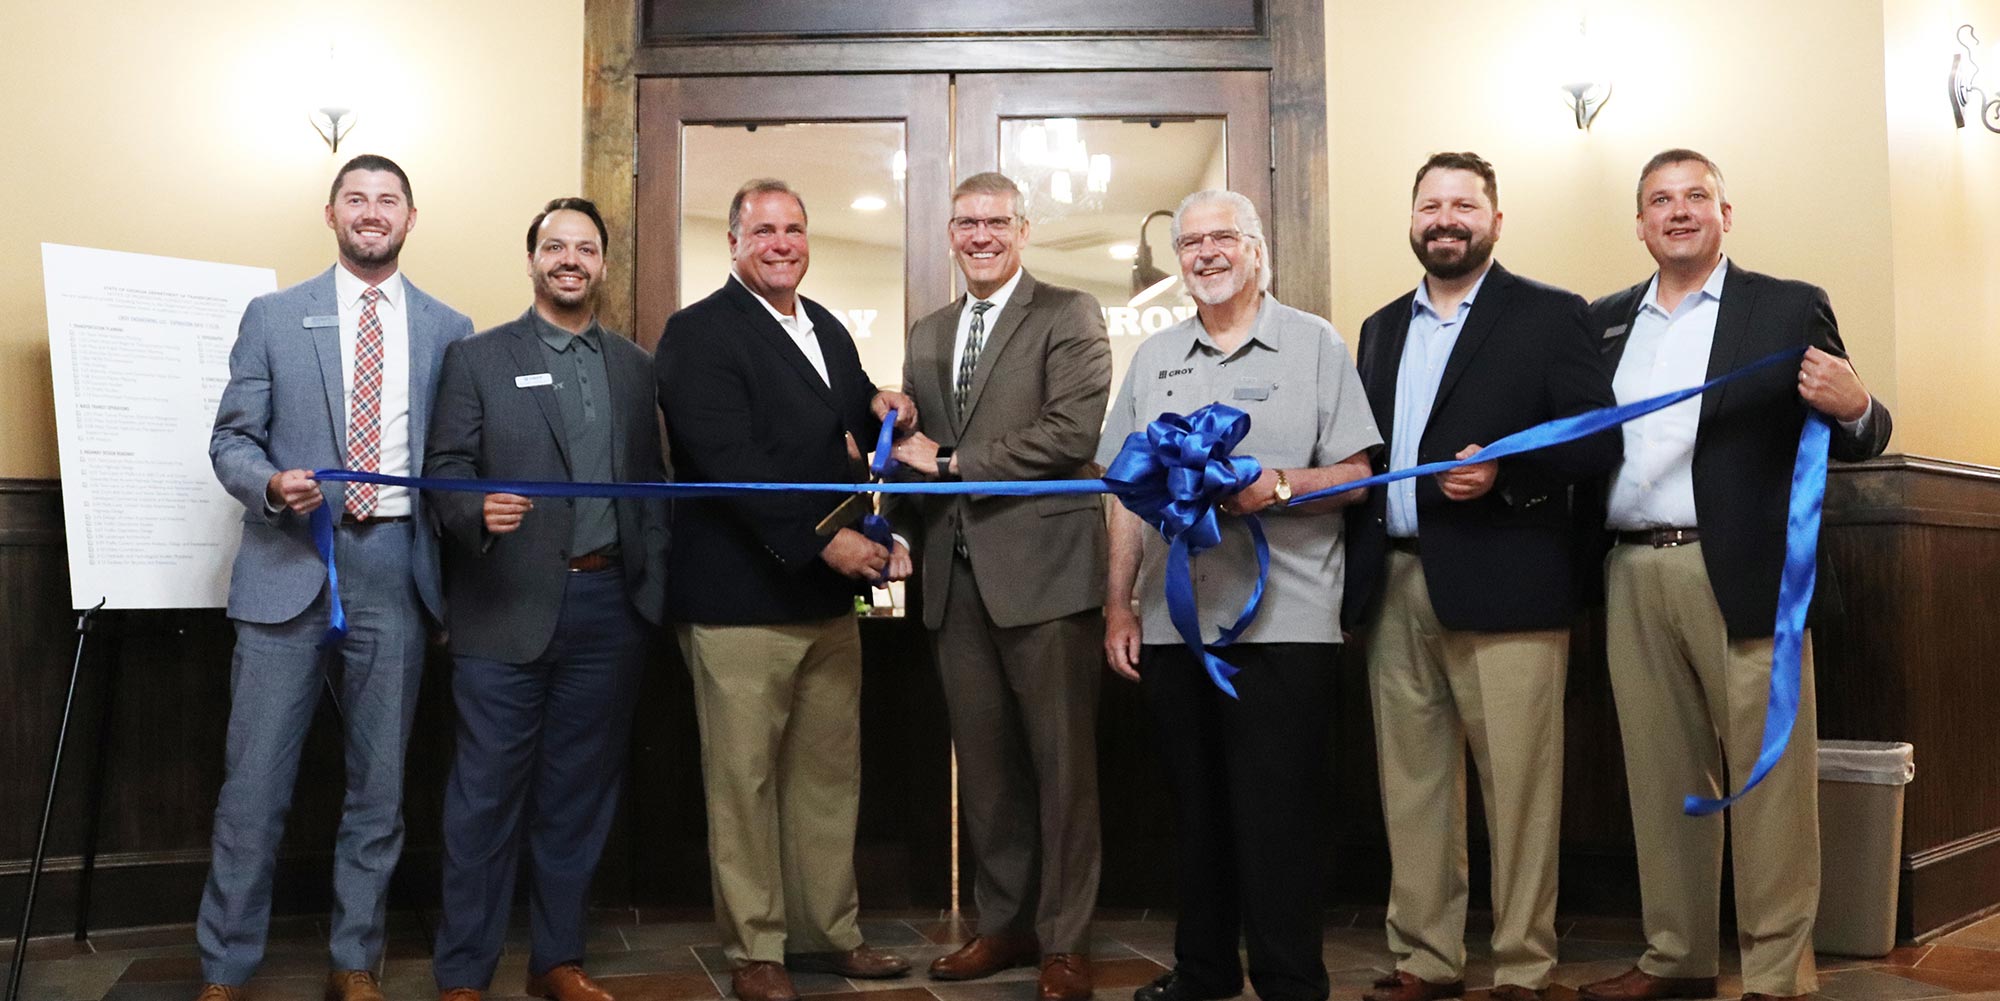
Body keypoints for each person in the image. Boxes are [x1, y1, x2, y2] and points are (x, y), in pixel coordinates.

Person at [1577, 149, 1892, 1001]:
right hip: (1631, 569)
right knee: (1661, 776)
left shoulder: (1787, 306)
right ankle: (1676, 958)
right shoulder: (1603, 321)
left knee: (1770, 783)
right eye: (1659, 200)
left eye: (1695, 197)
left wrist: (1857, 402)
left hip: (1746, 575)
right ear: (1640, 223)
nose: (1677, 211)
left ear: (1726, 213)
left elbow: (1866, 432)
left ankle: (1777, 974)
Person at [1343, 152, 1622, 1001]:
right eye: (1430, 204)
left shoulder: (1549, 315)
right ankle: (1426, 955)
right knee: (1414, 785)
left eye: (1464, 204)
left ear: (1496, 220)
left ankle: (1524, 965)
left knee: (1520, 790)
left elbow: (1599, 440)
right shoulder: (1381, 326)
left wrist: (1510, 472)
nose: (1446, 219)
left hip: (1508, 580)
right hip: (1393, 583)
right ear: (1413, 220)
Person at [203, 154, 472, 1001]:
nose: (371, 211)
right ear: (330, 215)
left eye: (387, 200)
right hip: (288, 560)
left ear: (410, 218)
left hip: (394, 566)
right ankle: (224, 970)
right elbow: (231, 441)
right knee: (253, 787)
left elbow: (456, 458)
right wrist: (271, 484)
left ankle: (355, 962)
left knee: (379, 788)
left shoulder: (449, 327)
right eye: (356, 198)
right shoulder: (275, 316)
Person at [1100, 189, 1379, 1001]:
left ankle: (1292, 979)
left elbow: (1360, 476)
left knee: (1279, 819)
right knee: (1195, 815)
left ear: (1258, 250)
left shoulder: (1314, 344)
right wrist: (1119, 602)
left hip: (1286, 627)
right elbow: (1120, 490)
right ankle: (1205, 971)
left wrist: (1281, 485)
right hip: (1171, 624)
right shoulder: (1154, 359)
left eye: (1223, 237)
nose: (1206, 253)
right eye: (1191, 242)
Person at [654, 178, 917, 1001]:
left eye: (794, 229)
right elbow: (730, 461)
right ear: (733, 242)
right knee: (744, 783)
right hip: (737, 602)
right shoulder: (696, 334)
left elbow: (852, 411)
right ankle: (756, 949)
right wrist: (822, 541)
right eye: (763, 229)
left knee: (826, 781)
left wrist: (888, 409)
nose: (781, 243)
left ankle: (828, 933)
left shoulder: (826, 325)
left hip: (826, 606)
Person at [422, 197, 668, 1001]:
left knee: (578, 798)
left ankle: (556, 960)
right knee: (482, 801)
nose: (571, 259)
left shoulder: (635, 365)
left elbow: (654, 487)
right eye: (555, 246)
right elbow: (445, 472)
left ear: (602, 263)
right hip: (505, 607)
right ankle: (464, 974)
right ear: (532, 260)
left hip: (609, 611)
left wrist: (649, 596)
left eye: (585, 248)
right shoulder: (477, 358)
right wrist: (473, 512)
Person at [881, 171, 1111, 1001]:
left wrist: (950, 462)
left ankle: (1066, 939)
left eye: (996, 222)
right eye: (966, 222)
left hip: (1047, 575)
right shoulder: (930, 330)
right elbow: (911, 460)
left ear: (1022, 230)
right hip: (953, 579)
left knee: (1062, 770)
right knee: (984, 773)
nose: (980, 235)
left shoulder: (1069, 312)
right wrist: (900, 533)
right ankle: (1005, 923)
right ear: (949, 232)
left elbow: (1071, 432)